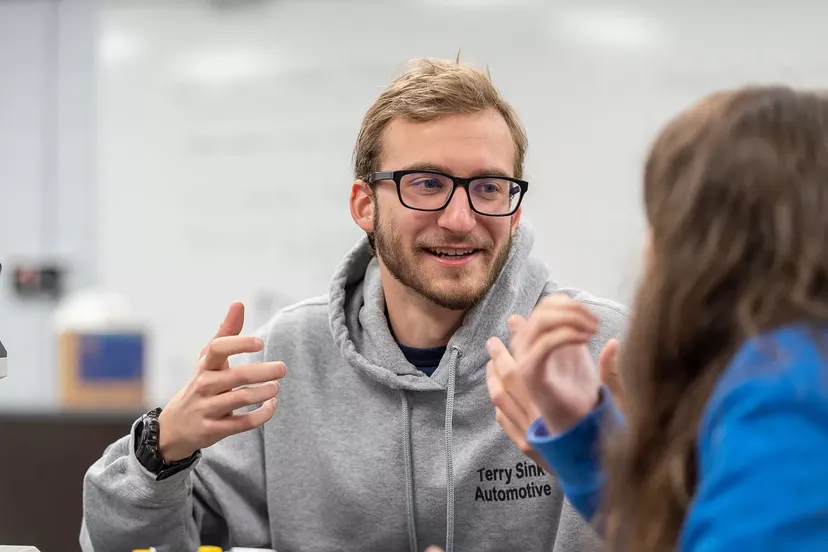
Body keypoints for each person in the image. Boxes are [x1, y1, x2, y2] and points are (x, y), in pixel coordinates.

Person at [80, 57, 627, 552]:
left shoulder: (604, 350)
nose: (461, 219)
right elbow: (124, 545)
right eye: (427, 183)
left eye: (488, 188)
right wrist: (162, 448)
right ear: (364, 205)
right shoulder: (287, 357)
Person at [496, 86, 828, 552]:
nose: (648, 252)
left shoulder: (788, 391)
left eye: (659, 220)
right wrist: (586, 434)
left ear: (712, 247)